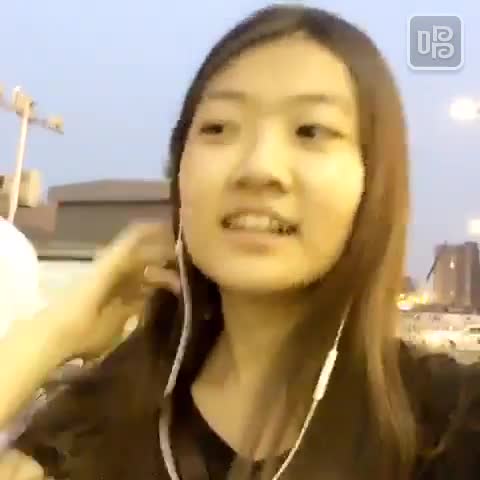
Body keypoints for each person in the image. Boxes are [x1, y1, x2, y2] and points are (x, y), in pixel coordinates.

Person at [1, 4, 479, 479]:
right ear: (180, 172)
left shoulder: (448, 422)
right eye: (218, 128)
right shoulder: (93, 422)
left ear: (374, 182)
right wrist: (58, 331)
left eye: (311, 131)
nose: (259, 168)